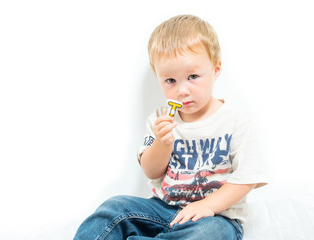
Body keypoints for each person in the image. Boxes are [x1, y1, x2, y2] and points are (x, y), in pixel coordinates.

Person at [74, 14, 267, 240]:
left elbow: (247, 178)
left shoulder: (233, 119)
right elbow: (151, 171)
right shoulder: (160, 119)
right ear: (159, 78)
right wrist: (162, 143)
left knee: (212, 233)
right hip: (163, 209)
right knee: (113, 208)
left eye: (193, 76)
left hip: (215, 216)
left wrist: (207, 206)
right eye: (170, 81)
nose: (182, 90)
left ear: (215, 70)